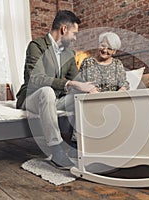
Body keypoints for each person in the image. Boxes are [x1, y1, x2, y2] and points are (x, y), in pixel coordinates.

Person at [16, 10, 95, 169]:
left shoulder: (69, 54)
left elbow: (78, 79)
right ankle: (56, 149)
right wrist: (70, 84)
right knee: (47, 91)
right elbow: (34, 78)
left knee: (85, 97)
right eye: (74, 33)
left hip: (55, 101)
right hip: (32, 97)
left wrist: (92, 88)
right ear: (64, 30)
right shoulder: (36, 46)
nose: (75, 38)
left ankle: (87, 144)